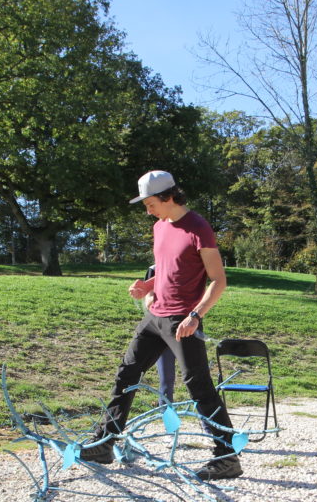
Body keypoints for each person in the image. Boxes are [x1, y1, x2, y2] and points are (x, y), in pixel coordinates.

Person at [82, 170, 242, 480]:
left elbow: (218, 281)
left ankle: (227, 457)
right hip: (154, 316)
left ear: (168, 197)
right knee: (126, 373)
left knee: (199, 386)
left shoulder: (199, 228)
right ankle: (104, 442)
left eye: (150, 203)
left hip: (183, 321)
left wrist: (195, 316)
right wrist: (147, 285)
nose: (147, 210)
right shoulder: (160, 227)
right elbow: (171, 271)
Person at [143, 264, 176, 406]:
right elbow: (148, 300)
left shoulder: (190, 264)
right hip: (163, 327)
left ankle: (207, 424)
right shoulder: (154, 269)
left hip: (187, 326)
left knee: (196, 378)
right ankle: (166, 415)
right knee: (166, 378)